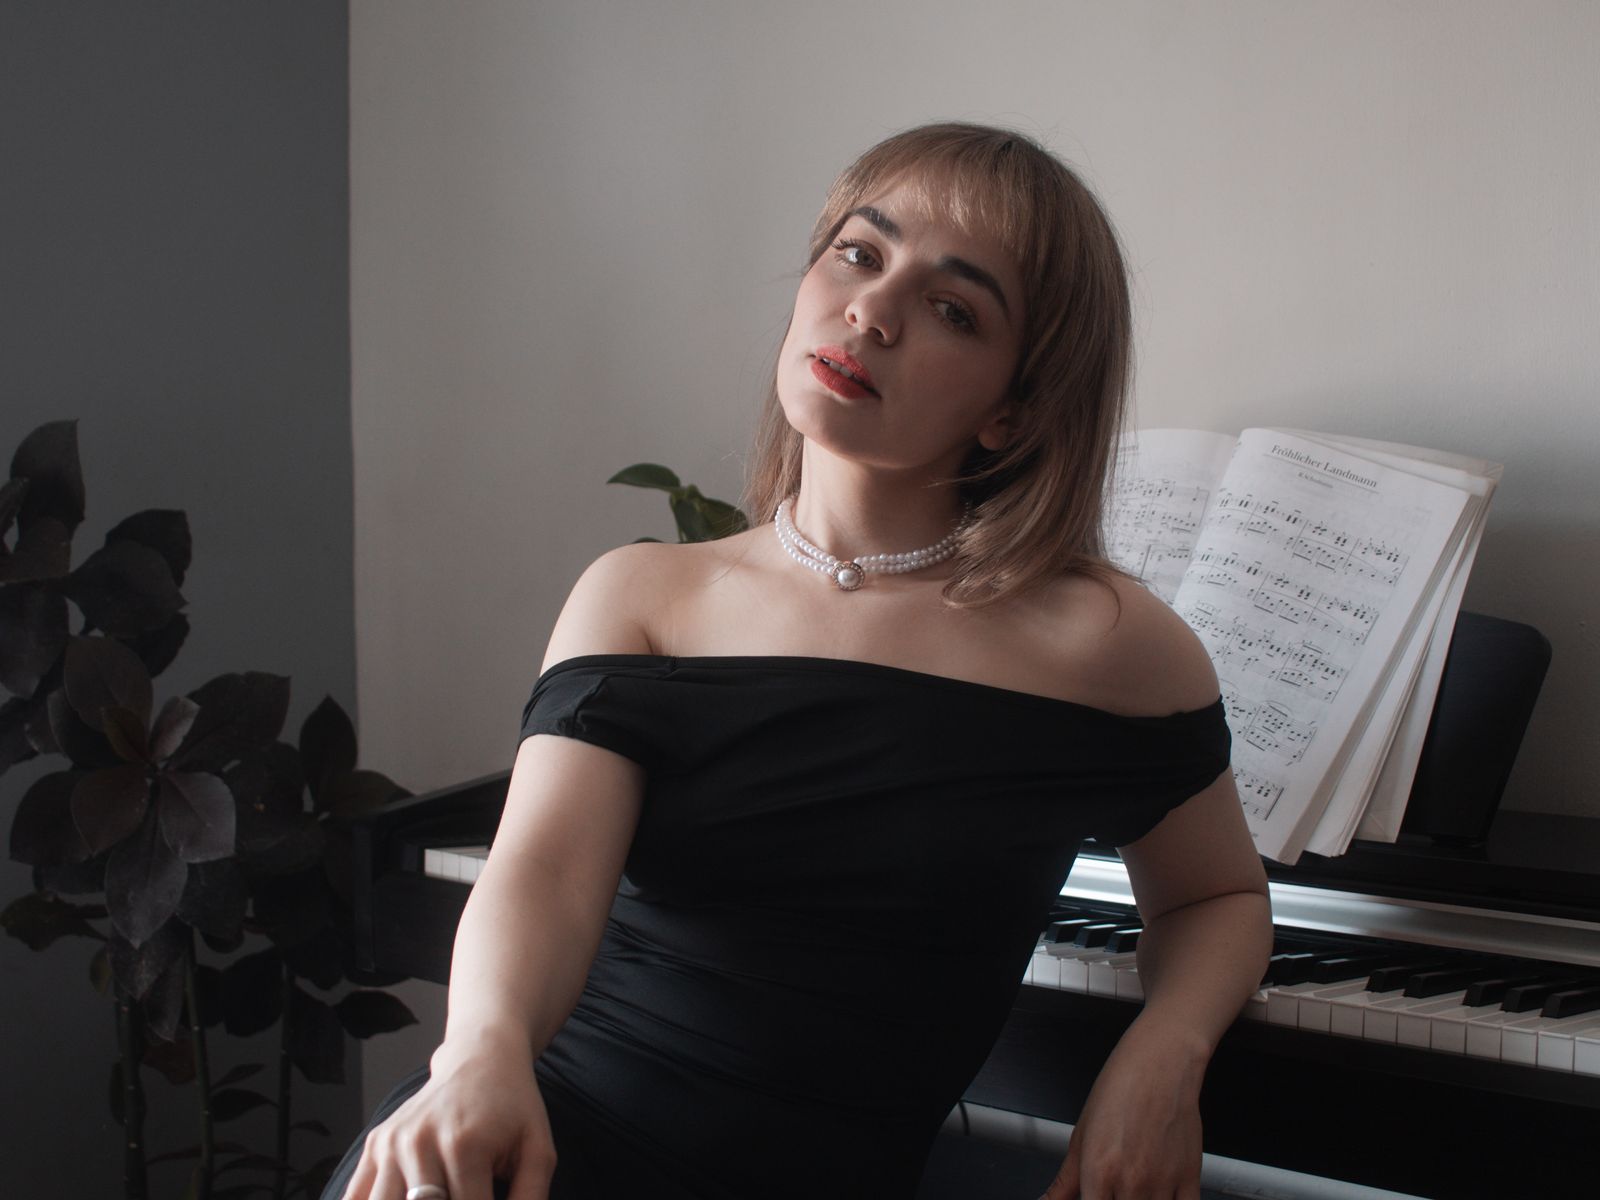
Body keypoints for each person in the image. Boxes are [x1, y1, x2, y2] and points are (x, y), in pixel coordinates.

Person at [325, 122, 1273, 1200]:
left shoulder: (1109, 643)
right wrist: (479, 1055)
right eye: (859, 254)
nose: (872, 310)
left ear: (1015, 410)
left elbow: (1214, 898)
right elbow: (540, 869)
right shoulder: (644, 595)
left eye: (953, 309)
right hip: (549, 1145)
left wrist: (1164, 1052)